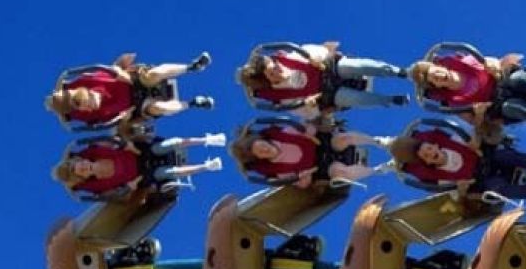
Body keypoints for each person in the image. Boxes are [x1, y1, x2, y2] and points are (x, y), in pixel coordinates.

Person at [46, 52, 213, 129]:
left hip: (131, 82)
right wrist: (122, 118)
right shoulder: (81, 114)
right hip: (134, 106)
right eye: (77, 105)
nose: (84, 105)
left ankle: (192, 66)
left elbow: (111, 71)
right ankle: (193, 103)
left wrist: (121, 74)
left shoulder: (85, 81)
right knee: (158, 108)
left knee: (152, 75)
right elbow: (103, 124)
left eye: (75, 99)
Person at [411, 48, 526, 127]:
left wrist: (494, 65)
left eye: (435, 72)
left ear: (440, 66)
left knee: (517, 79)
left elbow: (491, 61)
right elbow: (475, 122)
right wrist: (479, 113)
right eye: (434, 79)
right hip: (498, 103)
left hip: (506, 82)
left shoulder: (465, 61)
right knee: (509, 107)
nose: (437, 76)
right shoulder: (454, 102)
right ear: (436, 86)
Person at [238, 42, 409, 112]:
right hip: (325, 93)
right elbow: (303, 111)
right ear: (268, 81)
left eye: (273, 66)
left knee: (354, 66)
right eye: (270, 74)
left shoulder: (292, 56)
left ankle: (397, 72)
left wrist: (317, 57)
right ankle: (390, 100)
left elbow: (318, 51)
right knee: (354, 99)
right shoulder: (282, 98)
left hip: (328, 69)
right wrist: (310, 105)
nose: (276, 71)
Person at [52, 135, 223, 200]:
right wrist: (131, 185)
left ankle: (207, 140)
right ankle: (207, 166)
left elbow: (114, 141)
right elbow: (113, 194)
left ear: (79, 160)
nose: (83, 168)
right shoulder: (96, 186)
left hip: (140, 153)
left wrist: (129, 146)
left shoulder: (94, 151)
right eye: (81, 171)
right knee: (169, 172)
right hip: (141, 175)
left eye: (79, 165)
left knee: (172, 143)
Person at [389, 129, 526, 202]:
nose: (431, 154)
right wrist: (462, 189)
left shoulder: (451, 141)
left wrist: (476, 143)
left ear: (435, 145)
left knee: (504, 156)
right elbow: (457, 195)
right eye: (426, 156)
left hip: (488, 158)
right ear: (427, 163)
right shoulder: (439, 179)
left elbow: (471, 139)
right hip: (482, 179)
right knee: (499, 189)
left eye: (429, 149)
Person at [230, 121, 389, 188]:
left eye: (262, 145)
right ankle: (379, 169)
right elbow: (301, 183)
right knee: (340, 172)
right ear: (260, 159)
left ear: (264, 140)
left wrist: (308, 132)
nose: (265, 150)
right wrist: (304, 177)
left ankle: (379, 141)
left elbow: (309, 128)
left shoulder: (285, 133)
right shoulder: (280, 172)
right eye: (260, 153)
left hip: (324, 145)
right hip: (321, 167)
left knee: (342, 139)